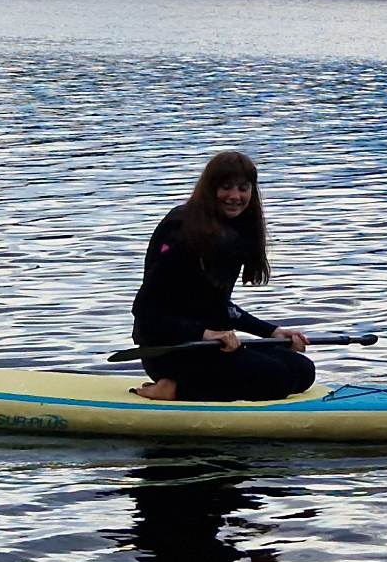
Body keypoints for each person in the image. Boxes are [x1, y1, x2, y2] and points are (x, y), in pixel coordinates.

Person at [129, 150, 315, 402]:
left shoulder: (235, 231)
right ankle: (174, 390)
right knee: (276, 378)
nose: (235, 197)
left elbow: (216, 305)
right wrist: (205, 333)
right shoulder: (181, 230)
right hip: (169, 350)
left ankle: (194, 386)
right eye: (226, 187)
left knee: (302, 370)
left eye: (243, 188)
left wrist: (272, 332)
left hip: (208, 347)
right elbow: (146, 310)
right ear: (210, 189)